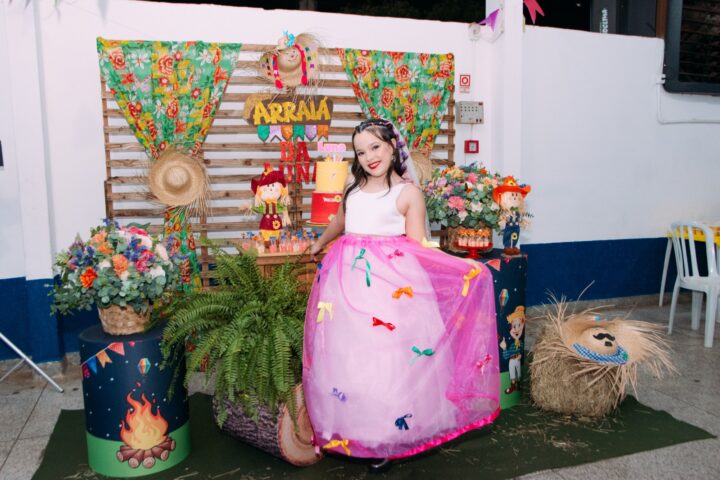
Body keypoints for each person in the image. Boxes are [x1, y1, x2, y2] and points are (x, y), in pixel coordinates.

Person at [303, 119, 500, 473]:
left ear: (393, 146)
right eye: (361, 152)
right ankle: (352, 428)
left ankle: (386, 438)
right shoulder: (352, 187)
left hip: (392, 288)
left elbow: (419, 244)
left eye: (375, 147)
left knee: (389, 361)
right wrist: (320, 242)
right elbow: (340, 221)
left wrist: (462, 265)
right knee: (350, 358)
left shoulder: (407, 194)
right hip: (348, 284)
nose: (369, 157)